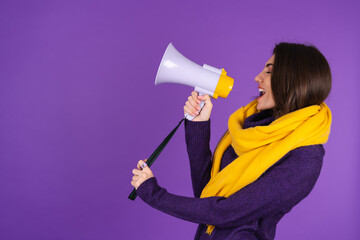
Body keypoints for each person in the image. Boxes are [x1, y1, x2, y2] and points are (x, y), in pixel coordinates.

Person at [131, 42, 332, 240]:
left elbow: (223, 212)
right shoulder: (253, 129)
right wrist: (198, 124)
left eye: (269, 72)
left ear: (294, 81)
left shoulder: (305, 158)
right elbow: (207, 194)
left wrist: (154, 194)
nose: (257, 77)